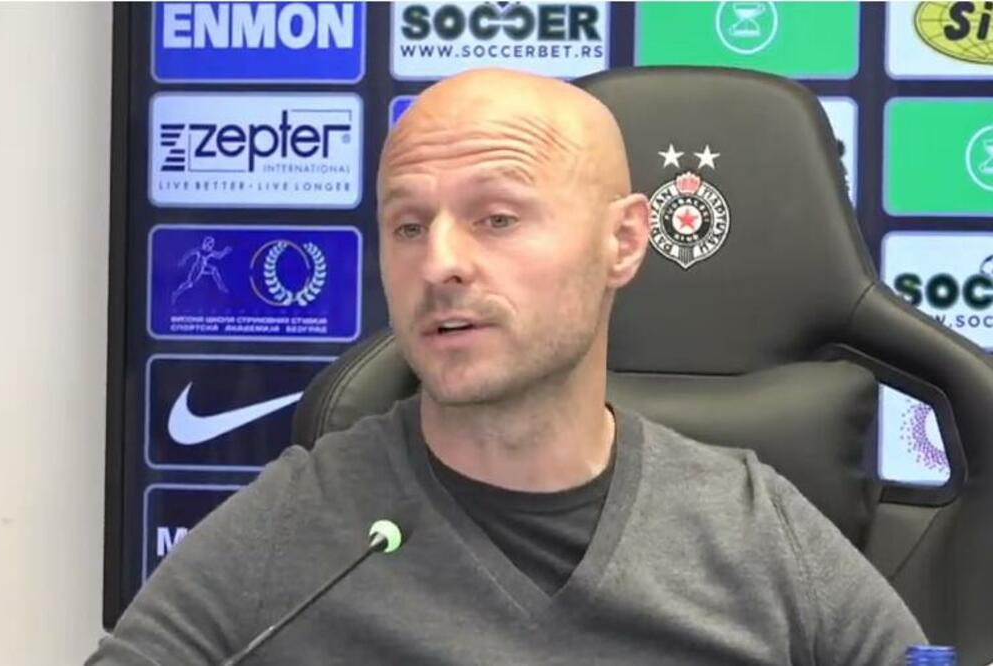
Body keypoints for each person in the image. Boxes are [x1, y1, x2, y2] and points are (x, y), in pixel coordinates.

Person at [88, 69, 925, 665]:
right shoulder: (298, 526)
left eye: (496, 218)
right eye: (408, 227)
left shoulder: (756, 531)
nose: (440, 263)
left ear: (623, 241)